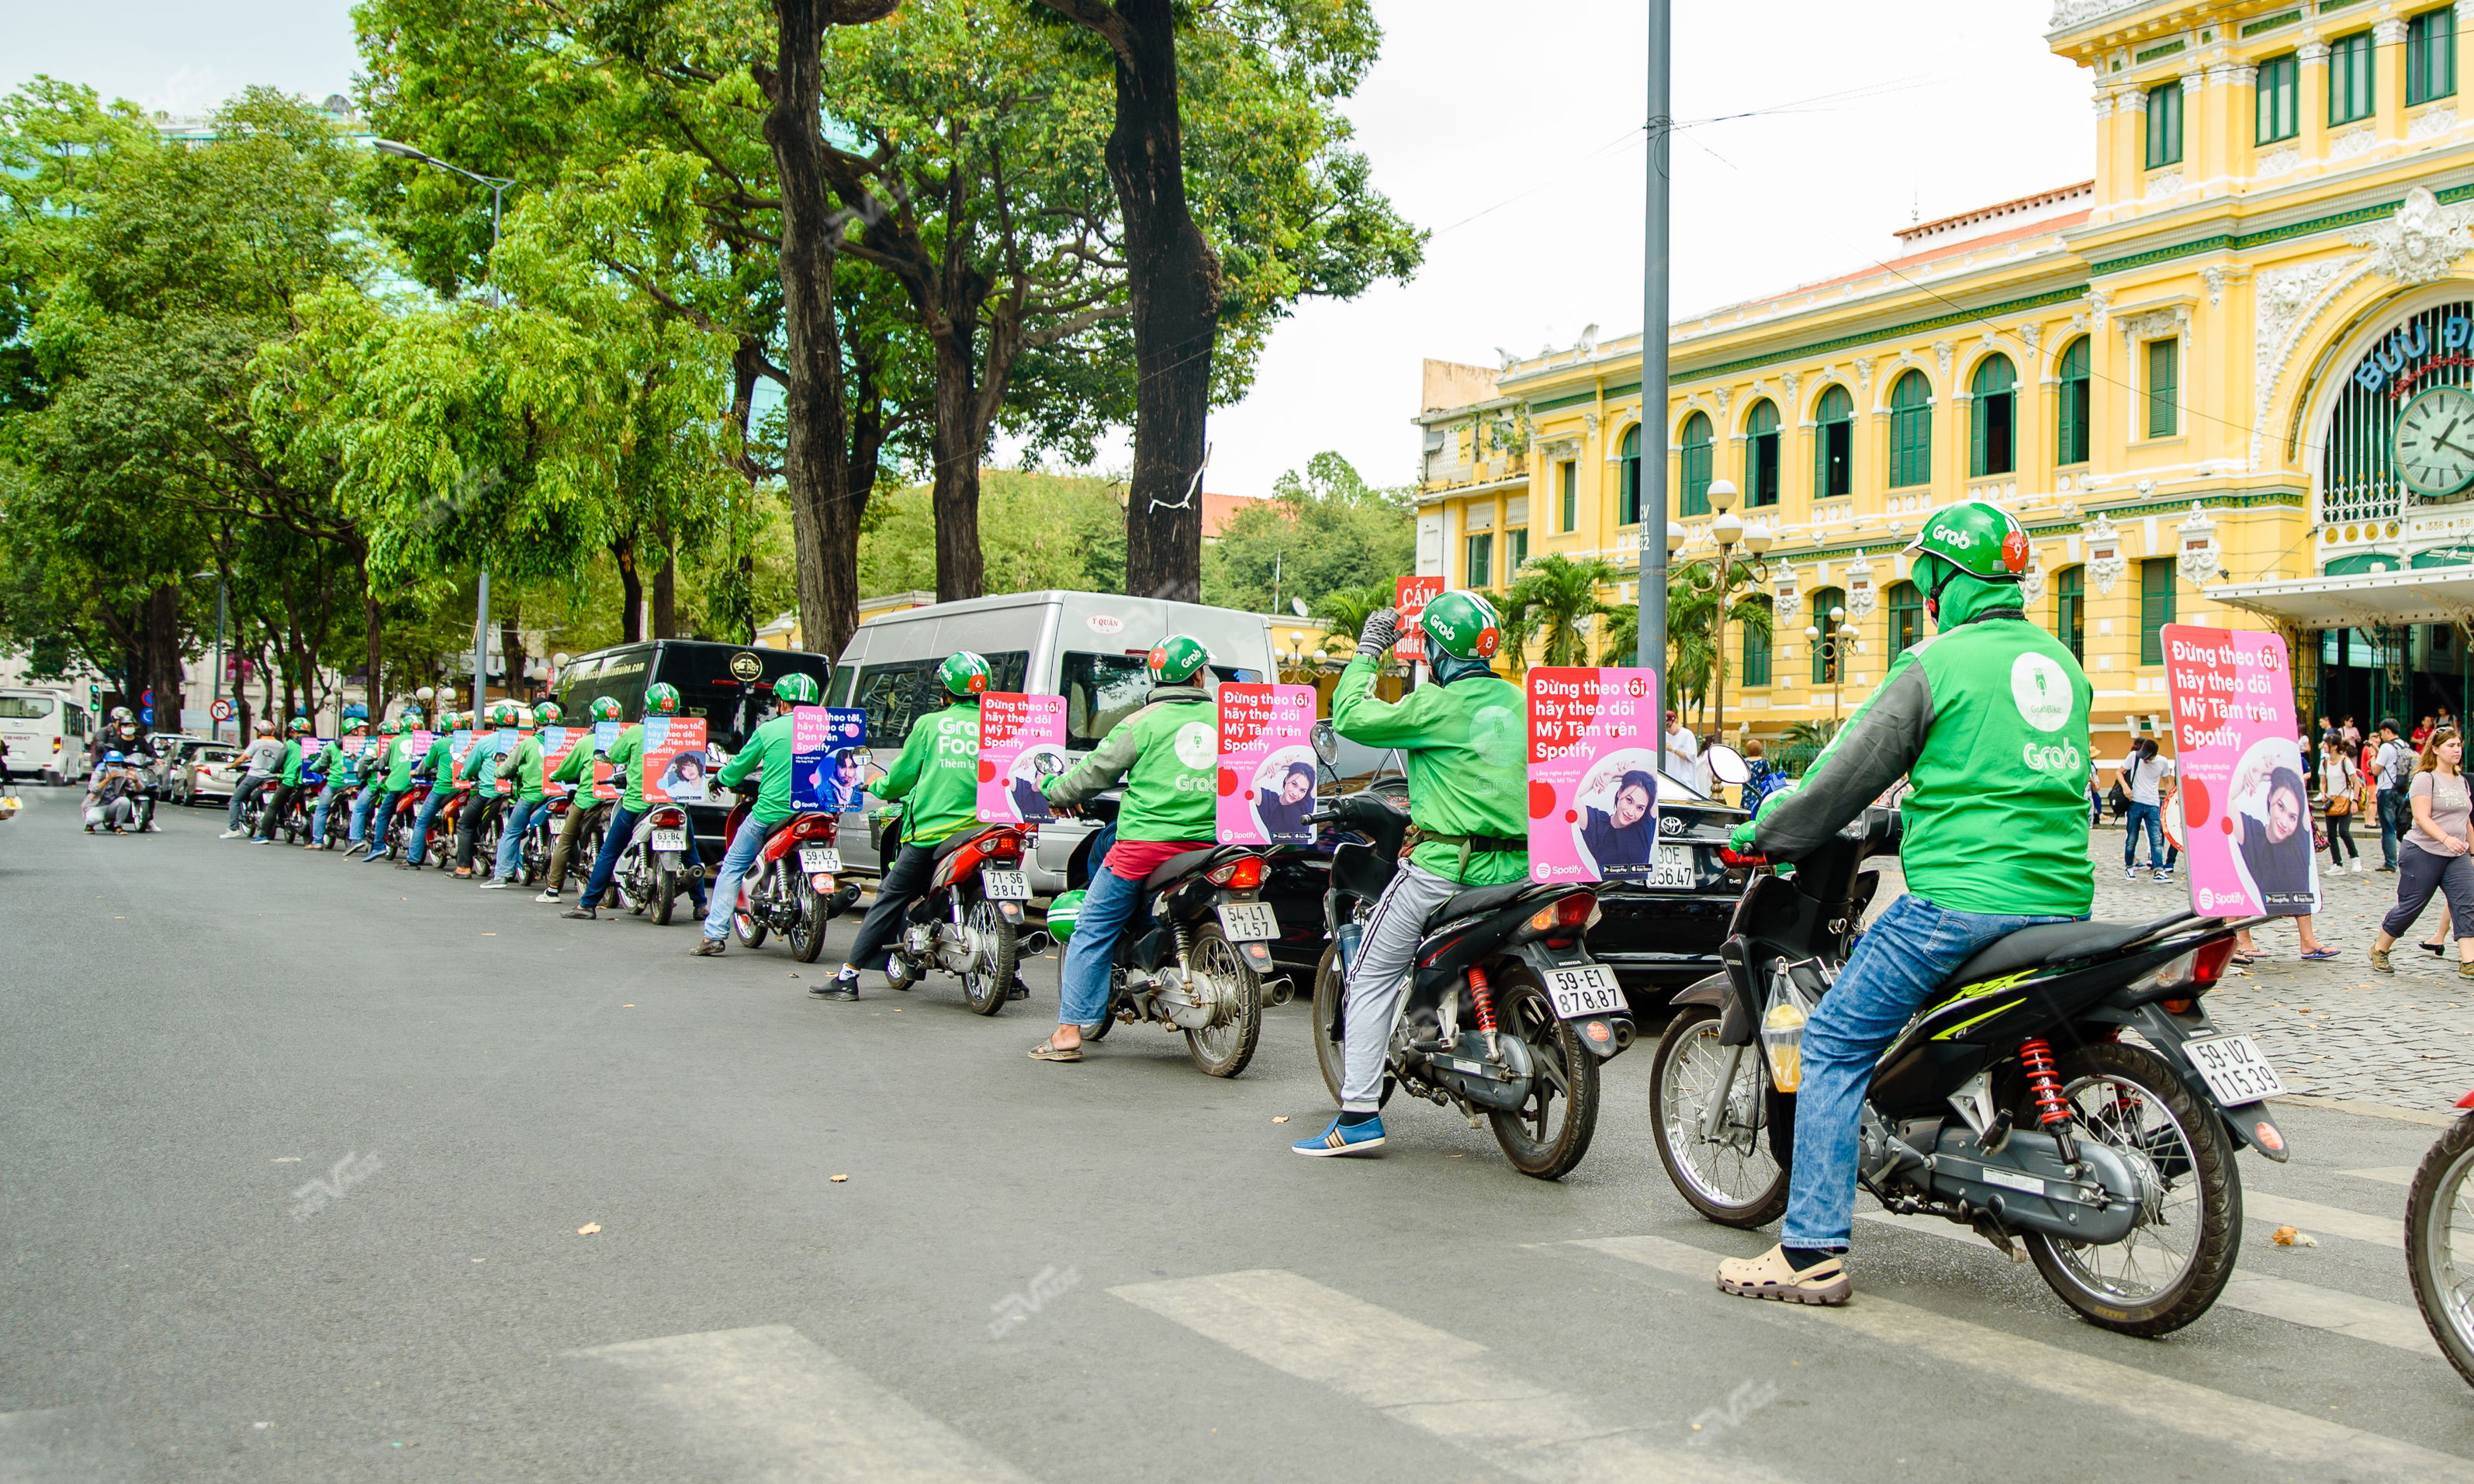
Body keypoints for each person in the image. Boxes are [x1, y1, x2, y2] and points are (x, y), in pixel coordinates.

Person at [1711, 501, 2092, 1306]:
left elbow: (1845, 772)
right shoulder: (2063, 661)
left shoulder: (1935, 663)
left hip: (1961, 902)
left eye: (1927, 578)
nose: (1924, 592)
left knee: (1836, 1038)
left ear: (1945, 579)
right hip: (2064, 899)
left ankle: (1809, 1246)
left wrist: (1767, 832)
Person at [1292, 590, 1526, 1156]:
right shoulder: (1526, 703)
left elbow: (1348, 716)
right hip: (1523, 871)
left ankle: (1358, 1117)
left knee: (1370, 974)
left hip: (1447, 871)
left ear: (1439, 654)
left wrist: (1370, 649)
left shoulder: (1433, 706)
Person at [1029, 636, 1221, 1061]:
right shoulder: (1231, 720)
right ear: (1199, 674)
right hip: (1215, 845)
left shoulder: (1140, 723)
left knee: (1092, 928)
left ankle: (1067, 1034)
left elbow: (1091, 774)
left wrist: (1055, 791)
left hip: (1147, 849)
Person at [822, 655, 996, 995]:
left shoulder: (930, 725)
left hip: (933, 835)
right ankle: (1013, 977)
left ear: (946, 691)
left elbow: (900, 781)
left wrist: (875, 785)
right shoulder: (1000, 726)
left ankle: (849, 975)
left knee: (890, 896)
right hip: (986, 832)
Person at [695, 673, 822, 956]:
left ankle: (714, 934)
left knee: (731, 867)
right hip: (819, 813)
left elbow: (738, 767)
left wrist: (721, 779)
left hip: (771, 814)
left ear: (782, 702)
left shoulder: (769, 731)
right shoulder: (830, 727)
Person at [563, 684, 706, 922]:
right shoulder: (687, 732)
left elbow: (614, 756)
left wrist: (607, 756)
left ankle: (587, 905)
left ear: (647, 707)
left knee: (609, 852)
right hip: (675, 803)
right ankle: (701, 905)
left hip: (638, 804)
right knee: (690, 852)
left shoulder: (635, 733)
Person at [2372, 728, 2474, 978]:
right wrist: (2446, 838)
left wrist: (2472, 851)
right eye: (2451, 745)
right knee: (2411, 906)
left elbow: (2467, 821)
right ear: (2436, 749)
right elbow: (2421, 817)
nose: (2457, 749)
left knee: (2466, 904)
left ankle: (2469, 962)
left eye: (2459, 744)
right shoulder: (2425, 778)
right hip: (2423, 852)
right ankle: (2379, 949)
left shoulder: (2462, 780)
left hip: (2456, 855)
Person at [537, 697, 621, 904]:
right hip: (618, 800)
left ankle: (553, 889)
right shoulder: (624, 738)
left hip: (587, 801)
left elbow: (567, 769)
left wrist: (554, 775)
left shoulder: (584, 743)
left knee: (565, 841)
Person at [484, 705, 551, 889]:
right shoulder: (568, 743)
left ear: (536, 722)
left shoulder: (528, 744)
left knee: (511, 832)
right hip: (557, 796)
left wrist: (499, 772)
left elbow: (507, 768)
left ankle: (501, 875)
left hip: (531, 796)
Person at [452, 704, 516, 878]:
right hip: (515, 794)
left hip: (489, 793)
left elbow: (470, 767)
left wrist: (463, 775)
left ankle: (464, 868)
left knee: (465, 825)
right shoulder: (524, 740)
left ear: (494, 723)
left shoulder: (485, 741)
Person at [395, 711, 464, 870]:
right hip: (464, 789)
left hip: (442, 789)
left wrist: (416, 772)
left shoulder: (439, 744)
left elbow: (427, 764)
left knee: (422, 822)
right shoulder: (470, 742)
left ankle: (413, 860)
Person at [1577, 765, 1658, 877]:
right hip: (1606, 892)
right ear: (1620, 792)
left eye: (1640, 808)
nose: (1631, 812)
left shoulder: (1645, 825)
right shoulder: (1596, 825)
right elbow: (1569, 794)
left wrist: (1616, 772)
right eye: (1629, 800)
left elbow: (1654, 773)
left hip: (1641, 893)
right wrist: (1602, 778)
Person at [251, 718, 317, 843]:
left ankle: (263, 835)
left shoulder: (290, 744)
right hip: (310, 781)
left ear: (293, 731)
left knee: (273, 807)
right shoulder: (315, 744)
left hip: (290, 780)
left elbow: (279, 762)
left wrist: (274, 769)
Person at [309, 713, 369, 849]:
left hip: (335, 783)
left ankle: (317, 841)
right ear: (354, 731)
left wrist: (312, 768)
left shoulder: (331, 746)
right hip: (358, 783)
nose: (365, 733)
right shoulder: (367, 745)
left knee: (322, 809)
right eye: (362, 730)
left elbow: (322, 764)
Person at [220, 718, 284, 839]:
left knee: (235, 799)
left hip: (255, 776)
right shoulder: (280, 745)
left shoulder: (256, 743)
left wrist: (231, 765)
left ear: (260, 732)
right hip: (273, 778)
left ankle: (233, 828)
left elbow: (243, 758)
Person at [2118, 738, 2170, 880]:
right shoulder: (2134, 756)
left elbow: (2167, 781)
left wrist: (2170, 800)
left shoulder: (2162, 762)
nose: (2144, 760)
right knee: (2132, 838)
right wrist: (2125, 787)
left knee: (2156, 839)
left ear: (2154, 755)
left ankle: (2159, 870)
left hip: (2153, 804)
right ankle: (2129, 867)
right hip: (2135, 803)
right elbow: (2119, 772)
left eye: (2147, 758)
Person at [2323, 735, 2363, 873]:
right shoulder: (2325, 763)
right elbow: (2323, 782)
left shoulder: (2345, 761)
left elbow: (2356, 783)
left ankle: (2355, 858)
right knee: (2331, 834)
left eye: (2326, 743)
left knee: (2344, 831)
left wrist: (2355, 801)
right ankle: (2337, 864)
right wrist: (2323, 793)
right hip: (2331, 801)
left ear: (2334, 746)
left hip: (2346, 800)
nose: (2324, 745)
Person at [2375, 718, 2411, 873]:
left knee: (2388, 828)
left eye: (2382, 732)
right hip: (2402, 788)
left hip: (2387, 790)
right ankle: (2409, 858)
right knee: (2403, 827)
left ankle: (2390, 862)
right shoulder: (2405, 745)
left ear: (2387, 731)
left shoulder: (2386, 747)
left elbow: (2376, 770)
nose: (2381, 735)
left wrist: (2372, 757)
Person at [1254, 759, 1318, 843]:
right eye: (1294, 784)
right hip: (1274, 854)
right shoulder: (1269, 802)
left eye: (1302, 790)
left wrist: (1284, 763)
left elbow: (1314, 766)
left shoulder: (1306, 803)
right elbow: (1248, 779)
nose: (1295, 793)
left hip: (1302, 855)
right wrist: (1277, 767)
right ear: (1287, 778)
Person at [84, 751, 141, 832]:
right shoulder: (99, 773)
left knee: (125, 801)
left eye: (118, 764)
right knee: (93, 819)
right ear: (106, 764)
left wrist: (135, 780)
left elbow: (138, 790)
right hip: (97, 805)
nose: (115, 767)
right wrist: (108, 779)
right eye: (112, 764)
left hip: (113, 805)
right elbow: (93, 789)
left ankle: (118, 826)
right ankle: (89, 825)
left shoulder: (123, 774)